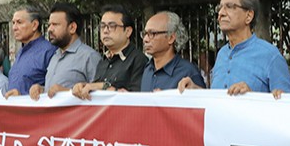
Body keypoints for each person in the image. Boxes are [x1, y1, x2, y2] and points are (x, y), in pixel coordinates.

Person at [178, 0, 290, 95]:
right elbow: (218, 100)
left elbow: (287, 106)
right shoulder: (222, 54)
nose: (221, 13)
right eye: (219, 8)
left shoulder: (270, 55)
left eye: (229, 7)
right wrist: (194, 90)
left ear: (248, 16)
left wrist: (251, 97)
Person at [73, 11, 204, 98]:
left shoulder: (188, 72)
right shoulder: (147, 69)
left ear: (171, 38)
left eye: (152, 34)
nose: (146, 39)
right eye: (145, 34)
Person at [29, 2, 99, 100]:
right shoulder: (55, 56)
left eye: (55, 25)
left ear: (72, 27)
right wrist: (42, 90)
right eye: (49, 25)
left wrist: (66, 92)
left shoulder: (89, 57)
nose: (49, 29)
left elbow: (99, 97)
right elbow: (54, 92)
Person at [85, 4, 148, 92]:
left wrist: (105, 87)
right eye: (103, 26)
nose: (106, 31)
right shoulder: (103, 61)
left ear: (128, 31)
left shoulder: (138, 60)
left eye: (112, 26)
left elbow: (137, 98)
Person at [5, 6, 55, 97]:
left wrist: (23, 95)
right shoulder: (21, 51)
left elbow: (55, 90)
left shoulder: (49, 51)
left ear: (34, 25)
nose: (14, 28)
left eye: (19, 22)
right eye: (13, 23)